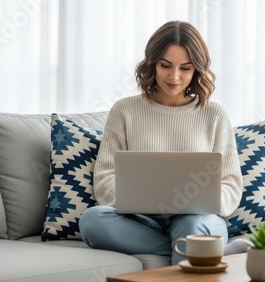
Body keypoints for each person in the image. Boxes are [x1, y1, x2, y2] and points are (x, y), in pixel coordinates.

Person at [79, 20, 244, 265]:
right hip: (140, 220)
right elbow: (105, 177)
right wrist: (137, 200)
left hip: (196, 218)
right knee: (92, 221)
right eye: (165, 65)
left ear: (197, 70)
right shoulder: (125, 110)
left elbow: (231, 183)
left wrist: (206, 201)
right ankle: (193, 246)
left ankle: (193, 240)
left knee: (193, 225)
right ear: (152, 63)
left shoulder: (214, 114)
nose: (174, 77)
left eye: (185, 68)